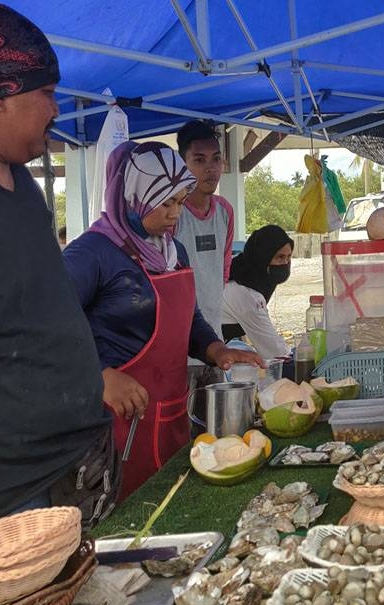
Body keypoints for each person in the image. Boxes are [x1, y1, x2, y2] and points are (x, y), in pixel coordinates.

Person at [0, 4, 118, 527]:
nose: (56, 109)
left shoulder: (22, 185)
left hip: (79, 458)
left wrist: (92, 377)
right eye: (47, 92)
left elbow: (39, 309)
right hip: (12, 490)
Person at [63, 141, 262, 499]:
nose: (175, 214)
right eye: (166, 202)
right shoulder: (92, 253)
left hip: (169, 411)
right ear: (133, 196)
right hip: (117, 421)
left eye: (180, 202)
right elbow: (49, 324)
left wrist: (216, 349)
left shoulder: (173, 251)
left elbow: (188, 318)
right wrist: (100, 375)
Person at [175, 120, 234, 421]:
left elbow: (223, 270)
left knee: (217, 431)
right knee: (183, 436)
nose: (210, 169)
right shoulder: (172, 214)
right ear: (183, 165)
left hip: (215, 344)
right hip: (179, 354)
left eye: (216, 159)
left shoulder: (225, 211)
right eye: (199, 160)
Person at [221, 224, 295, 360]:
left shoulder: (240, 270)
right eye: (280, 257)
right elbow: (275, 352)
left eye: (288, 257)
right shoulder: (246, 293)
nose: (285, 263)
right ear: (263, 257)